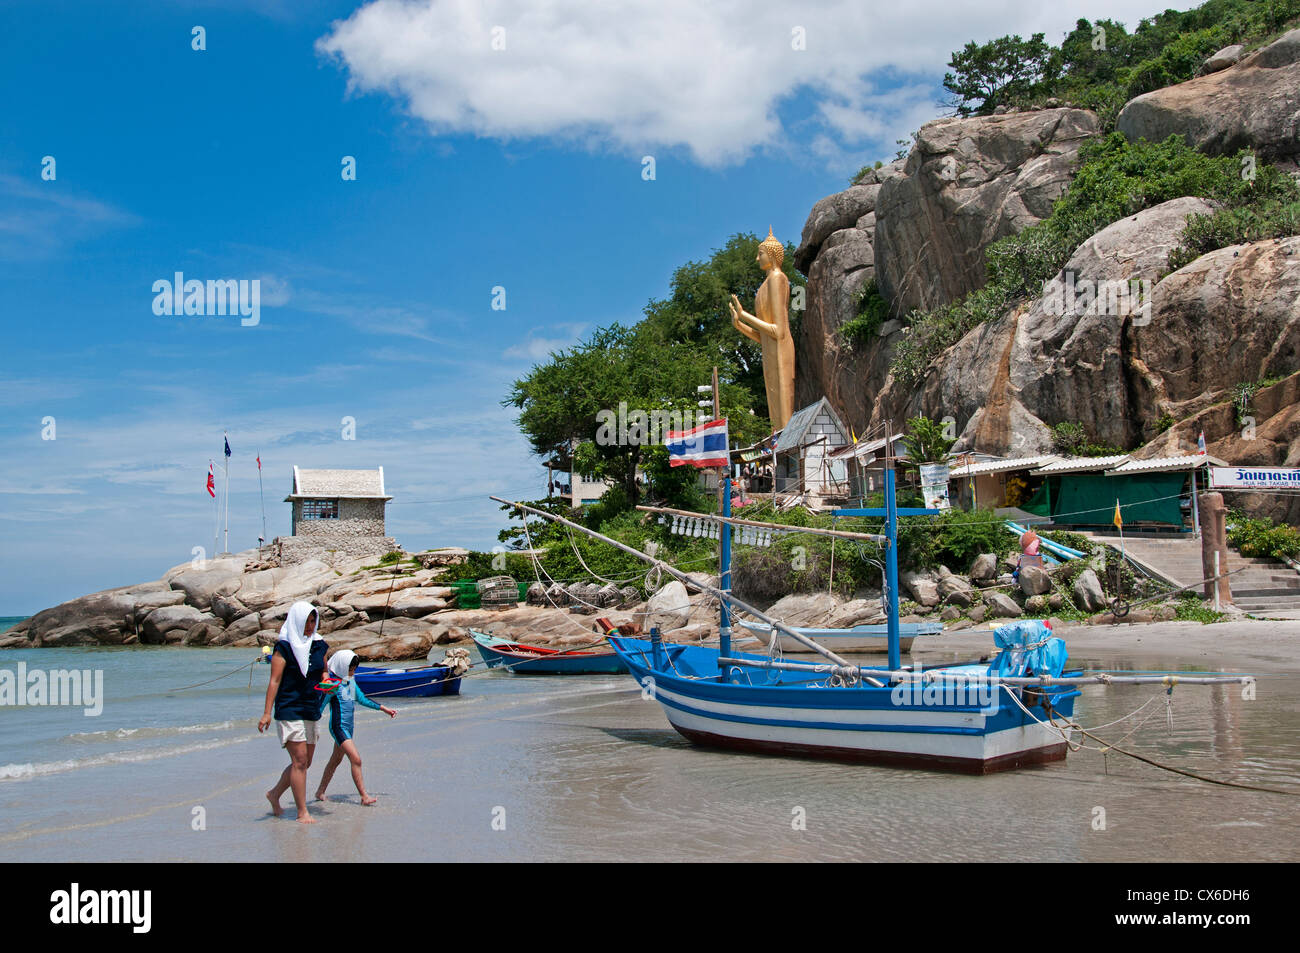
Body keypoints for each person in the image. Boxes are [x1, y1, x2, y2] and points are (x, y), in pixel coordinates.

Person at [258, 601, 328, 824]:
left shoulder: (319, 645)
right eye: (306, 621)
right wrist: (267, 713)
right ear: (296, 621)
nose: (309, 625)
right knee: (299, 760)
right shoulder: (284, 648)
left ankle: (274, 794)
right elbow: (274, 680)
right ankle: (302, 812)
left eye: (312, 621)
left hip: (311, 706)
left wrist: (328, 683)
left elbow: (324, 672)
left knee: (305, 762)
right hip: (289, 707)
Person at [314, 650, 396, 806]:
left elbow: (362, 699)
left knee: (335, 760)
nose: (352, 673)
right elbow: (319, 707)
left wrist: (383, 708)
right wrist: (313, 728)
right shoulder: (332, 684)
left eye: (353, 670)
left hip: (349, 727)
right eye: (350, 670)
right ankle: (364, 796)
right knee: (356, 759)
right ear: (341, 667)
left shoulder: (350, 681)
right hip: (338, 728)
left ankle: (320, 792)